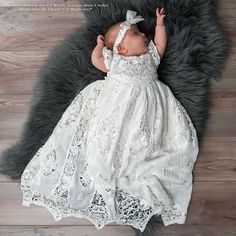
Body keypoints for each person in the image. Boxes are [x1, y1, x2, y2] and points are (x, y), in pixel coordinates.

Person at [20, 8, 199, 233]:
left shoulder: (150, 58)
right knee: (105, 134)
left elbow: (160, 45)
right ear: (121, 49)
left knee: (144, 139)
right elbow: (96, 60)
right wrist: (99, 45)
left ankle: (135, 162)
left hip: (146, 109)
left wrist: (160, 25)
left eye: (142, 32)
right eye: (136, 33)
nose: (144, 35)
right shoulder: (115, 62)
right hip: (116, 106)